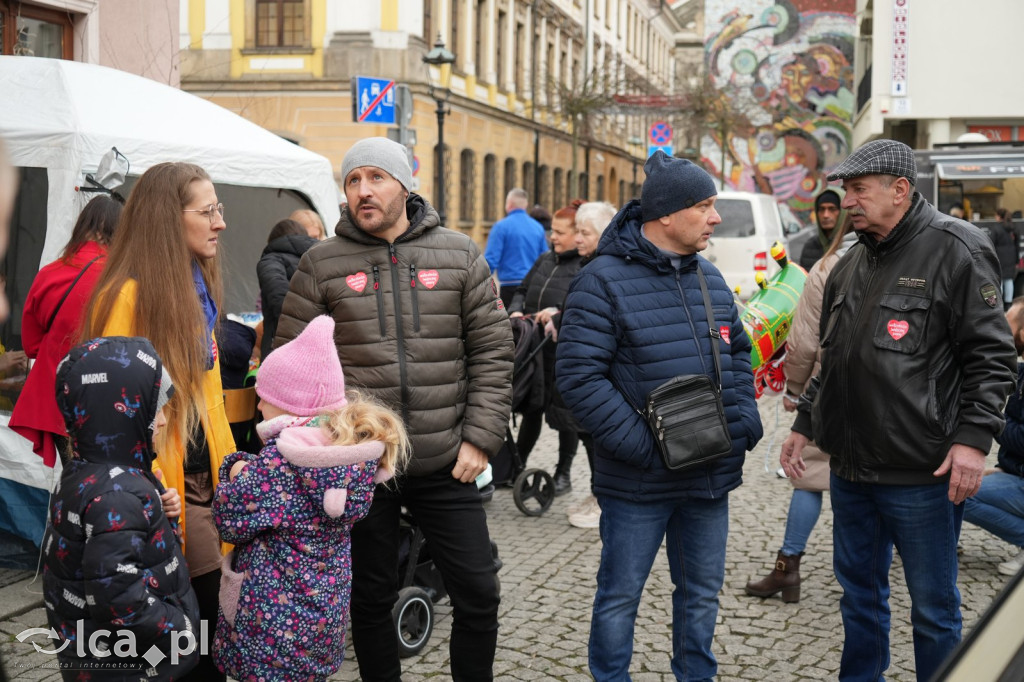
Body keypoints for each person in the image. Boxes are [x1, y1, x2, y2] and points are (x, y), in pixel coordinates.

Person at [275, 136, 513, 682]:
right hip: (360, 466)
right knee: (370, 595)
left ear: (405, 185)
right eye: (353, 180)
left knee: (478, 589)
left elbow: (495, 351)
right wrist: (326, 443)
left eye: (376, 178)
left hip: (444, 458)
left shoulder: (457, 253)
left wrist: (480, 438)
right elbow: (290, 370)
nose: (363, 190)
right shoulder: (321, 263)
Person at [779, 139, 1017, 682]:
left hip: (922, 471)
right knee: (859, 598)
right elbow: (834, 358)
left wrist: (973, 441)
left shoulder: (958, 247)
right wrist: (804, 425)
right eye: (846, 191)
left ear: (900, 190)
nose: (849, 202)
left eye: (860, 190)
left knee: (934, 610)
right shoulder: (849, 262)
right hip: (851, 470)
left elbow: (992, 357)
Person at [555, 151, 763, 680]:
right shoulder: (601, 280)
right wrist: (646, 449)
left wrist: (740, 421)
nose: (716, 218)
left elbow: (739, 351)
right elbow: (580, 379)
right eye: (706, 206)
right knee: (620, 596)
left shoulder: (710, 278)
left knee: (700, 597)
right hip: (638, 483)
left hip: (710, 474)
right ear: (666, 215)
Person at [83, 162, 236, 681]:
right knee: (189, 639)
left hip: (206, 486)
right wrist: (148, 493)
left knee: (208, 631)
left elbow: (208, 405)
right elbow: (109, 420)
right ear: (168, 221)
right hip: (162, 495)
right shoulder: (125, 298)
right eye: (208, 211)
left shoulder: (198, 296)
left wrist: (231, 470)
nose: (220, 223)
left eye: (219, 209)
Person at [212, 316, 409, 681]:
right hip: (321, 618)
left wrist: (236, 468)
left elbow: (230, 519)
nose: (257, 408)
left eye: (264, 399)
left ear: (289, 406)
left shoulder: (276, 465)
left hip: (269, 627)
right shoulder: (349, 455)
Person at [43, 335, 200, 680]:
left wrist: (161, 511)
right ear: (122, 413)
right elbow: (120, 601)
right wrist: (182, 627)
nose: (161, 420)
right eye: (153, 408)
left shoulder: (88, 471)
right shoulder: (118, 493)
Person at [744, 214, 856, 603]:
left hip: (828, 390)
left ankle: (787, 567)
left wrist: (794, 389)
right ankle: (861, 574)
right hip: (888, 396)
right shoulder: (906, 261)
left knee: (808, 476)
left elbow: (805, 340)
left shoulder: (827, 266)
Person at [10, 195, 122, 467]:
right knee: (98, 480)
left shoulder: (50, 271)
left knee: (75, 476)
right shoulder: (120, 277)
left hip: (58, 395)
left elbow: (32, 345)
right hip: (105, 398)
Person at [508, 199, 584, 495]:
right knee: (531, 409)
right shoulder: (545, 259)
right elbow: (522, 290)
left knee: (566, 416)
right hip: (534, 348)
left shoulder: (583, 266)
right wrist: (515, 309)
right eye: (553, 230)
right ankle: (517, 467)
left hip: (561, 351)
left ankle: (563, 474)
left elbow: (578, 306)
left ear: (578, 234)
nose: (553, 236)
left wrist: (557, 312)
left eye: (560, 232)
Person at [564, 200, 617, 530]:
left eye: (585, 233)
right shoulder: (587, 265)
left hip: (603, 372)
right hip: (585, 366)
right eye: (577, 231)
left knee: (600, 437)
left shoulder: (604, 269)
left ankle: (604, 497)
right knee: (588, 436)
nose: (578, 238)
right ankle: (599, 492)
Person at [964, 296, 1024, 576]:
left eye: (1008, 322)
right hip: (1015, 473)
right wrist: (1002, 467)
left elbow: (1020, 437)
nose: (1002, 329)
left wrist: (993, 418)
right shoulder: (1020, 369)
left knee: (960, 493)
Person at [256, 217, 320, 362]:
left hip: (281, 347)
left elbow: (280, 300)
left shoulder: (270, 261)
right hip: (320, 347)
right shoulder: (319, 258)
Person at [484, 188, 548, 307]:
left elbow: (491, 259)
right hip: (532, 285)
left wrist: (482, 282)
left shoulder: (501, 227)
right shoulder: (538, 227)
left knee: (510, 323)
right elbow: (545, 258)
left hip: (509, 285)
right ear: (526, 205)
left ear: (509, 204)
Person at [798, 188, 844, 270]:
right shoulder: (810, 246)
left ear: (843, 212)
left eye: (832, 209)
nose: (825, 215)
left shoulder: (852, 244)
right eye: (821, 209)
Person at [992, 207, 1018, 308]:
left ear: (999, 216)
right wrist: (1016, 261)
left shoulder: (996, 228)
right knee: (1009, 281)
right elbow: (1016, 245)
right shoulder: (1013, 227)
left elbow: (991, 244)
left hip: (999, 258)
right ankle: (1009, 303)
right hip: (1011, 258)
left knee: (1000, 281)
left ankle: (1000, 304)